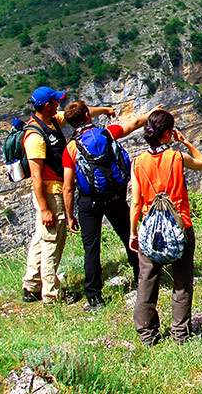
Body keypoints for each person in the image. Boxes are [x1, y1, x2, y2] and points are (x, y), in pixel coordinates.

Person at [62, 101, 160, 312]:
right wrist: (152, 113)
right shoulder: (107, 133)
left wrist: (70, 216)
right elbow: (133, 123)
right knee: (130, 237)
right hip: (115, 196)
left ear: (69, 123)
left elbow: (68, 187)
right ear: (88, 115)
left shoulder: (71, 148)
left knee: (91, 248)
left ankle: (94, 297)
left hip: (89, 202)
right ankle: (142, 280)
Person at [21, 86, 114, 306]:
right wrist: (45, 209)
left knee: (40, 238)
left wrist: (106, 110)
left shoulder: (51, 121)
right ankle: (51, 296)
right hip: (50, 194)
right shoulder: (35, 136)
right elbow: (35, 176)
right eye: (55, 102)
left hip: (51, 193)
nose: (58, 105)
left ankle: (31, 285)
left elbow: (82, 112)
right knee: (53, 240)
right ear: (47, 106)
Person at [129, 110, 202, 345]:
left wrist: (133, 232)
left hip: (150, 230)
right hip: (180, 226)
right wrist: (186, 142)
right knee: (182, 281)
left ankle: (147, 334)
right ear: (168, 133)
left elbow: (135, 202)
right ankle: (181, 333)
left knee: (147, 280)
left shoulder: (138, 162)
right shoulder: (177, 157)